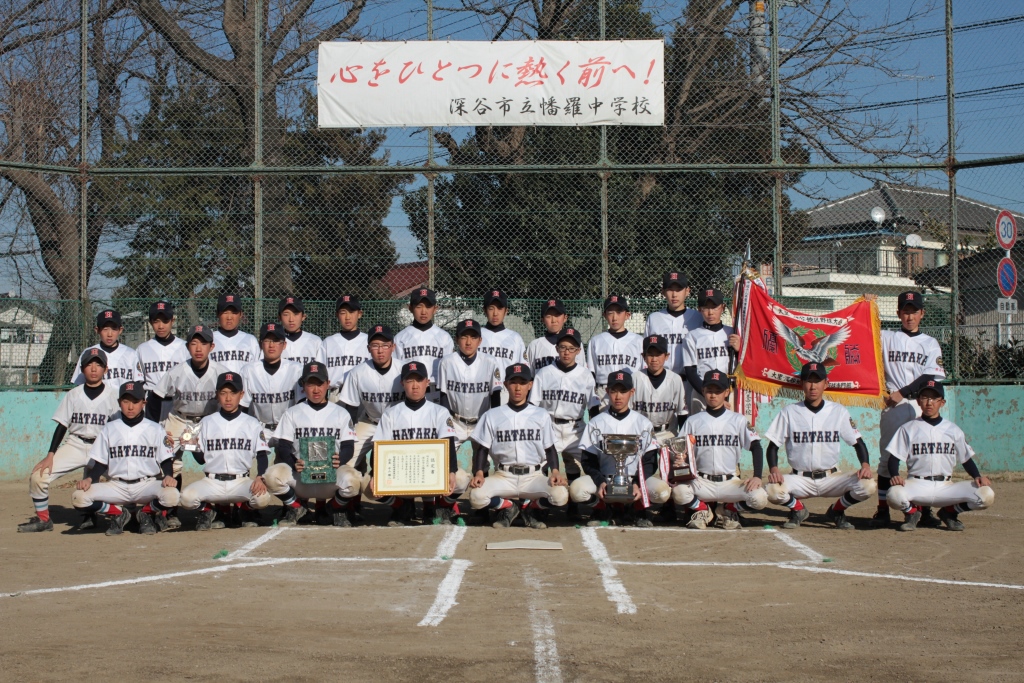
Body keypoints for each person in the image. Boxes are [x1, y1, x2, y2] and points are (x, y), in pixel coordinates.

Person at [764, 362, 877, 529]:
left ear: (826, 383)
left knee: (868, 485)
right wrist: (774, 470)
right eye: (808, 381)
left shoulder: (838, 411)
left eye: (817, 381)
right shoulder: (789, 412)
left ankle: (837, 510)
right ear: (802, 384)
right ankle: (798, 509)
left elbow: (858, 442)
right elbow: (772, 446)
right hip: (800, 479)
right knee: (772, 489)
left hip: (831, 478)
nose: (813, 386)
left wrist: (865, 465)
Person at [17, 348, 119, 533]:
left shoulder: (114, 395)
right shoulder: (73, 394)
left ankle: (119, 514)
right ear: (82, 368)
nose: (93, 368)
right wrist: (50, 455)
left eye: (98, 364)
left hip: (103, 447)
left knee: (127, 482)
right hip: (76, 444)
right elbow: (62, 425)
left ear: (106, 369)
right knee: (39, 476)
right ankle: (43, 519)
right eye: (89, 364)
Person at [361, 361, 470, 526]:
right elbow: (378, 447)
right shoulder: (391, 414)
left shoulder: (439, 412)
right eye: (410, 380)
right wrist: (376, 475)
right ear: (402, 383)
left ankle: (438, 507)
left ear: (427, 382)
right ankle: (401, 506)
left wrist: (451, 471)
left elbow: (448, 444)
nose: (414, 385)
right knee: (367, 486)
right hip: (402, 475)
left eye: (419, 380)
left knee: (461, 479)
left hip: (431, 474)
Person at [874, 290, 946, 529]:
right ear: (898, 313)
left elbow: (930, 376)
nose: (910, 316)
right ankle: (882, 510)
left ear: (922, 313)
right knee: (887, 458)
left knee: (922, 460)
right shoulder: (886, 337)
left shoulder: (930, 343)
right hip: (893, 407)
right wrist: (868, 305)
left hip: (920, 404)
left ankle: (924, 511)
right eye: (905, 311)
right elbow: (864, 331)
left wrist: (903, 392)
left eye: (914, 311)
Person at [70, 381, 179, 536]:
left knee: (172, 495)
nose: (130, 407)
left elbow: (166, 459)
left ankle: (145, 513)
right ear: (119, 402)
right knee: (79, 497)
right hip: (117, 485)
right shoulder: (109, 428)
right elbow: (101, 462)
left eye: (135, 402)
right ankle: (119, 513)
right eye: (126, 401)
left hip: (145, 485)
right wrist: (90, 479)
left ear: (143, 403)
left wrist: (168, 475)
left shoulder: (155, 429)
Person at [884, 379, 994, 531]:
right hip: (917, 484)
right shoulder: (908, 428)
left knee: (986, 495)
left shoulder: (953, 430)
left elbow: (966, 459)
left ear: (942, 403)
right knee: (893, 494)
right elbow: (894, 458)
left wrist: (977, 476)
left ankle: (949, 512)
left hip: (946, 486)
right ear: (918, 401)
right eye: (925, 397)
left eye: (934, 398)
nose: (929, 402)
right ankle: (913, 513)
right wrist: (895, 475)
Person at [469, 363, 569, 529]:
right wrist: (479, 472)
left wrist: (555, 471)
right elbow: (483, 448)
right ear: (505, 384)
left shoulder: (541, 414)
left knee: (560, 495)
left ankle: (531, 508)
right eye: (513, 382)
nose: (518, 388)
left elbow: (550, 448)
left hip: (533, 476)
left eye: (522, 383)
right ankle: (509, 506)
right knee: (476, 497)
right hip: (504, 476)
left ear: (530, 385)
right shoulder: (492, 415)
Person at [263, 362, 360, 527]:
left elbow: (348, 447)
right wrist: (293, 463)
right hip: (301, 476)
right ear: (303, 385)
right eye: (310, 384)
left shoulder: (341, 413)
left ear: (328, 384)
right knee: (271, 476)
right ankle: (298, 508)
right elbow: (284, 446)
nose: (316, 390)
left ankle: (332, 509)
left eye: (320, 384)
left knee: (355, 480)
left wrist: (341, 460)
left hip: (330, 475)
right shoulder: (292, 413)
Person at [148, 324, 227, 528]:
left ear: (212, 347)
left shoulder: (220, 372)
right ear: (187, 347)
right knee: (169, 463)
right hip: (179, 419)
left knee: (215, 462)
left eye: (203, 343)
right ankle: (169, 509)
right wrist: (153, 427)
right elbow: (155, 396)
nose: (198, 348)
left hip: (207, 420)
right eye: (194, 343)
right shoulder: (177, 371)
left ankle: (216, 509)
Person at [571, 370, 670, 527]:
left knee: (662, 492)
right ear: (607, 391)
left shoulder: (643, 423)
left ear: (632, 392)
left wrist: (638, 483)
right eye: (614, 391)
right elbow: (587, 460)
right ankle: (602, 509)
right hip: (606, 479)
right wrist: (600, 481)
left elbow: (650, 461)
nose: (618, 396)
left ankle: (636, 510)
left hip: (633, 479)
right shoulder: (596, 422)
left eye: (623, 391)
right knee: (577, 490)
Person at [673, 370, 766, 530]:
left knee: (760, 498)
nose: (713, 395)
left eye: (718, 391)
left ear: (726, 392)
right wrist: (680, 460)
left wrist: (757, 476)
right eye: (709, 390)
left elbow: (756, 446)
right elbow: (680, 449)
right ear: (703, 391)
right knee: (678, 492)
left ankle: (727, 510)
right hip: (701, 481)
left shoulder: (738, 420)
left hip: (729, 481)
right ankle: (703, 510)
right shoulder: (693, 421)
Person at [180, 372, 273, 530]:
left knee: (262, 498)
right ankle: (210, 511)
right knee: (186, 498)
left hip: (240, 481)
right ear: (217, 395)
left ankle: (244, 510)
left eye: (233, 393)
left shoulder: (251, 423)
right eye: (223, 393)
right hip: (212, 481)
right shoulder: (206, 422)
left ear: (241, 394)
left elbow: (262, 454)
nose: (228, 398)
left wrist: (260, 477)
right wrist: (191, 446)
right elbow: (201, 460)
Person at [528, 327, 596, 519]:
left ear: (578, 351)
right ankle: (539, 506)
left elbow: (593, 407)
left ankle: (578, 504)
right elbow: (533, 406)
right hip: (550, 426)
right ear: (557, 348)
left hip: (576, 428)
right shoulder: (544, 373)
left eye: (572, 348)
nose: (567, 352)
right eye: (563, 347)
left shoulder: (585, 375)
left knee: (590, 465)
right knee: (538, 466)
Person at [339, 324, 404, 466]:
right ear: (368, 348)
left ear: (393, 347)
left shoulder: (403, 370)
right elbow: (351, 407)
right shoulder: (357, 372)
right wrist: (350, 436)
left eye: (385, 345)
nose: (380, 350)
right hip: (370, 422)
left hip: (399, 425)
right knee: (344, 462)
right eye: (375, 345)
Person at [438, 319, 503, 447]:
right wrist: (446, 425)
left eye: (473, 337)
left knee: (487, 459)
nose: (468, 342)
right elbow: (443, 396)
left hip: (481, 422)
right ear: (457, 339)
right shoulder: (446, 362)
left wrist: (494, 423)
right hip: (456, 422)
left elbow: (495, 397)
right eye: (464, 337)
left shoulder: (490, 362)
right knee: (447, 457)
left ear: (480, 340)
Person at [240, 322, 304, 441]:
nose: (271, 345)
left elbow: (302, 404)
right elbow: (242, 406)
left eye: (276, 341)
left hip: (289, 428)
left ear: (284, 345)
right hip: (260, 429)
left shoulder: (296, 369)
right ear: (260, 344)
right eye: (267, 340)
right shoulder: (248, 371)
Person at [682, 288, 741, 414]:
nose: (710, 312)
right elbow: (690, 372)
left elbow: (746, 365)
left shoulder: (733, 333)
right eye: (706, 307)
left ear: (723, 307)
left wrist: (739, 351)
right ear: (699, 309)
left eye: (714, 307)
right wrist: (708, 395)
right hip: (702, 393)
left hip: (730, 391)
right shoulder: (692, 336)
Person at [393, 288, 454, 402]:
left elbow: (448, 371)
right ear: (410, 308)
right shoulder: (400, 338)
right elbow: (396, 370)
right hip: (410, 394)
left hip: (437, 392)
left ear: (435, 308)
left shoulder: (444, 338)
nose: (423, 311)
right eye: (419, 306)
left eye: (428, 306)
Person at [586, 295, 644, 409]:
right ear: (604, 315)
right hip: (603, 392)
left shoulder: (638, 341)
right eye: (610, 312)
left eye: (619, 312)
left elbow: (642, 373)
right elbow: (591, 374)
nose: (614, 317)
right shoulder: (595, 341)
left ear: (627, 315)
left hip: (628, 391)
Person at [135, 300, 188, 422]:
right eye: (156, 321)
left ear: (172, 321)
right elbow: (138, 381)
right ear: (150, 322)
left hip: (176, 399)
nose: (160, 326)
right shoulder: (142, 349)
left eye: (165, 321)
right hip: (152, 401)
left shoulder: (184, 347)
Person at [644, 270, 703, 376]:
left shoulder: (698, 317)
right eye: (670, 289)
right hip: (661, 379)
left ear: (687, 291)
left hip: (689, 379)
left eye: (679, 289)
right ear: (663, 292)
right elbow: (646, 352)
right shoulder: (654, 318)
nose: (674, 294)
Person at [632, 334, 688, 443]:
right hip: (640, 433)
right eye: (650, 354)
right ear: (643, 356)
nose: (654, 359)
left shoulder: (675, 379)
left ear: (666, 356)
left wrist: (682, 441)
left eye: (658, 354)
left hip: (668, 433)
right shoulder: (635, 378)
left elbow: (682, 413)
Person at [479, 289, 527, 402]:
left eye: (500, 308)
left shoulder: (515, 338)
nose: (495, 313)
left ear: (506, 311)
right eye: (491, 308)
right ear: (484, 310)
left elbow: (523, 370)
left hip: (506, 391)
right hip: (480, 390)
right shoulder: (477, 335)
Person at [71, 309, 139, 390]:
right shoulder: (88, 353)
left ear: (120, 330)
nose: (109, 334)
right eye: (105, 329)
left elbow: (138, 383)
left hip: (123, 397)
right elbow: (80, 384)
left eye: (114, 329)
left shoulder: (131, 354)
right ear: (97, 330)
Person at [323, 294, 370, 402]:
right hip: (335, 394)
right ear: (337, 315)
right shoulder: (328, 342)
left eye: (352, 312)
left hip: (362, 394)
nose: (347, 317)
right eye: (343, 312)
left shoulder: (369, 341)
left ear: (359, 314)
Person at [526, 299, 587, 371]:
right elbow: (529, 375)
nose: (554, 320)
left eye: (557, 315)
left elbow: (581, 371)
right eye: (548, 316)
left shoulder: (575, 343)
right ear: (542, 320)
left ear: (565, 318)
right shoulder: (534, 345)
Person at [210, 294, 260, 374]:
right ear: (217, 314)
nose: (229, 317)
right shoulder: (209, 339)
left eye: (234, 313)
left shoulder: (251, 340)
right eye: (225, 312)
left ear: (241, 314)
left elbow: (257, 371)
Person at [278, 296, 326, 365]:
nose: (291, 319)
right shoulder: (274, 343)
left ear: (303, 317)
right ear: (279, 317)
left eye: (296, 314)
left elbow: (321, 368)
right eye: (286, 314)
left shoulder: (315, 341)